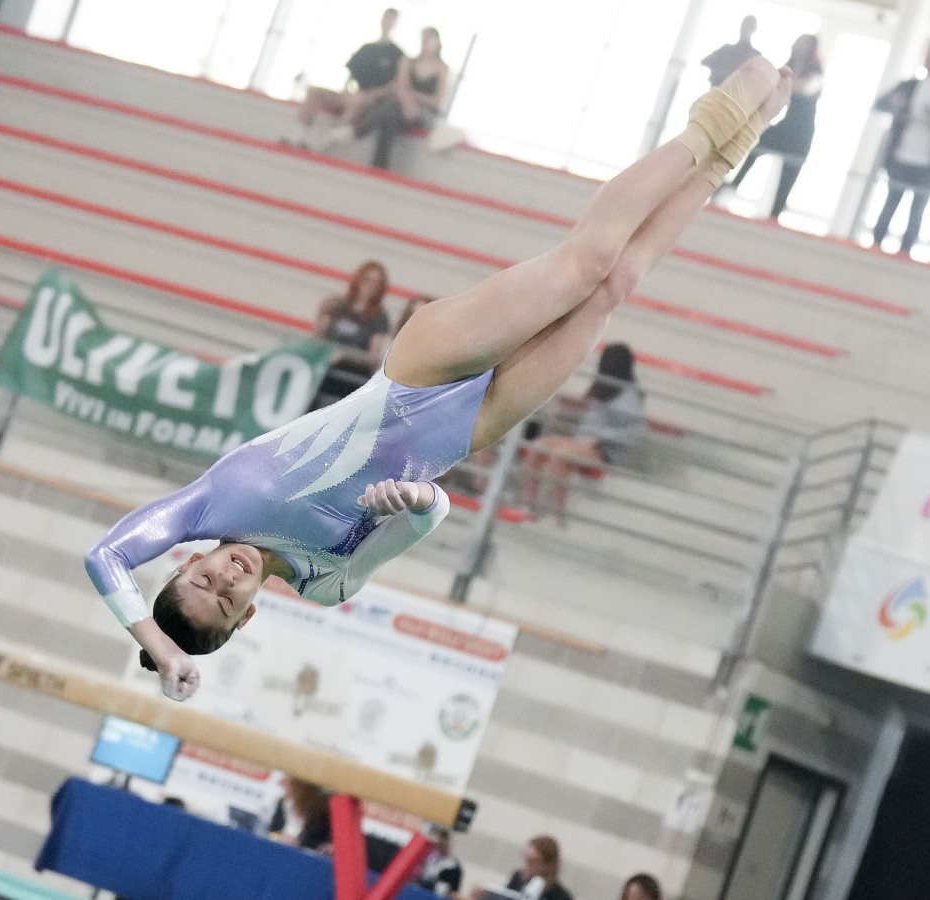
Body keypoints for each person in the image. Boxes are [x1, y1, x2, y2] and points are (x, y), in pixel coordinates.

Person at [84, 58, 792, 702]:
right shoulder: (327, 582)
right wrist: (420, 498)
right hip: (470, 426)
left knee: (586, 263)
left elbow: (106, 554)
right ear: (247, 616)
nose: (226, 577)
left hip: (417, 372)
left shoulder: (206, 507)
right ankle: (734, 146)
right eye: (228, 599)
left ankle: (716, 116)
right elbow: (429, 518)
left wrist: (159, 647)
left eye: (203, 579)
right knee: (615, 286)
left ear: (183, 564)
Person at [517, 343, 645, 521]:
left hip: (603, 452)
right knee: (538, 447)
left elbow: (634, 432)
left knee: (560, 455)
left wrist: (598, 438)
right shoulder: (605, 387)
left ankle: (557, 512)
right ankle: (528, 504)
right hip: (582, 443)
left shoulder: (628, 396)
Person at [868, 41, 930, 257]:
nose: (927, 58)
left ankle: (905, 253)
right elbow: (880, 103)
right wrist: (896, 104)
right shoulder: (909, 86)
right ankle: (875, 246)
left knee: (918, 209)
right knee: (890, 203)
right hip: (900, 156)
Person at [726, 34, 824, 220]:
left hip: (802, 132)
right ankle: (734, 184)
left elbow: (806, 88)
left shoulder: (815, 72)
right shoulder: (790, 66)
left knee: (789, 175)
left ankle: (775, 214)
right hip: (786, 125)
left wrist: (782, 82)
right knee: (760, 144)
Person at [293, 8, 405, 149]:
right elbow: (352, 73)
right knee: (314, 91)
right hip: (354, 94)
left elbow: (397, 85)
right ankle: (299, 137)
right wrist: (346, 90)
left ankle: (325, 141)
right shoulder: (367, 49)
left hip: (372, 101)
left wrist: (372, 95)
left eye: (391, 19)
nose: (387, 22)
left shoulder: (398, 54)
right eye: (386, 18)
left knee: (358, 99)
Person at [359, 26, 452, 170]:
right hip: (402, 108)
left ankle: (359, 130)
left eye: (429, 39)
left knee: (391, 110)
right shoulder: (408, 62)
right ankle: (379, 167)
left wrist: (412, 97)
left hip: (426, 113)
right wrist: (408, 103)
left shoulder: (442, 68)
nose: (425, 43)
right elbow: (401, 87)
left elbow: (436, 101)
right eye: (423, 39)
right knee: (390, 117)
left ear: (437, 43)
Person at [311, 261, 392, 409]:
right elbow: (317, 339)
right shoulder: (337, 305)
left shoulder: (379, 317)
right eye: (367, 280)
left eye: (376, 283)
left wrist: (346, 356)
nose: (370, 286)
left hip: (352, 375)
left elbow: (373, 357)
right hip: (326, 369)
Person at [267, 778, 333, 853]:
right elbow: (271, 832)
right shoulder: (283, 804)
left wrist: (298, 844)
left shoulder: (320, 814)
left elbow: (321, 845)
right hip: (277, 850)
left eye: (290, 783)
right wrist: (279, 837)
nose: (284, 784)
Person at [504, 835, 573, 900]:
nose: (527, 865)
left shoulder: (561, 896)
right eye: (526, 858)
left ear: (548, 865)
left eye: (533, 861)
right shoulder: (517, 879)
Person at [701, 15, 760, 87]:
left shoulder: (755, 56)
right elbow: (705, 62)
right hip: (720, 89)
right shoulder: (726, 50)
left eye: (748, 26)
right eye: (745, 26)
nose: (745, 30)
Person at [415, 825, 464, 896]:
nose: (440, 841)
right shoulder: (425, 856)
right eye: (438, 837)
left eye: (444, 838)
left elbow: (448, 891)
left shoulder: (453, 866)